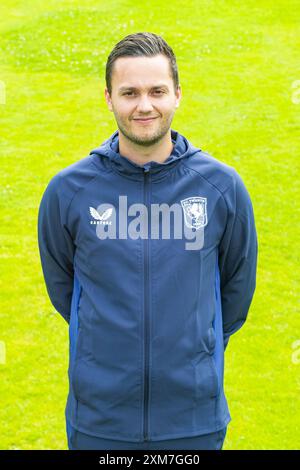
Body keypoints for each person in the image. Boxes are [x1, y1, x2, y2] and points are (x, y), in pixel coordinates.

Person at [37, 32, 258, 450]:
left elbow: (236, 291)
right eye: (129, 92)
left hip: (193, 419)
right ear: (108, 98)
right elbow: (64, 288)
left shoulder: (221, 188)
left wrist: (198, 346)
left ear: (177, 94)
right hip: (99, 421)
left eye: (157, 90)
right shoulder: (69, 191)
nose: (144, 105)